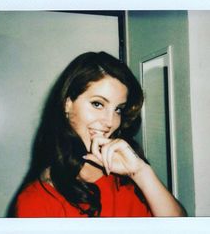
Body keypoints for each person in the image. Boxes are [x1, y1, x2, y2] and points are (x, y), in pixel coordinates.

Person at [12, 51, 186, 217]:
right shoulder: (38, 199)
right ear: (67, 104)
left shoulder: (125, 173)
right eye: (97, 104)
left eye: (118, 109)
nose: (110, 122)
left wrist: (140, 172)